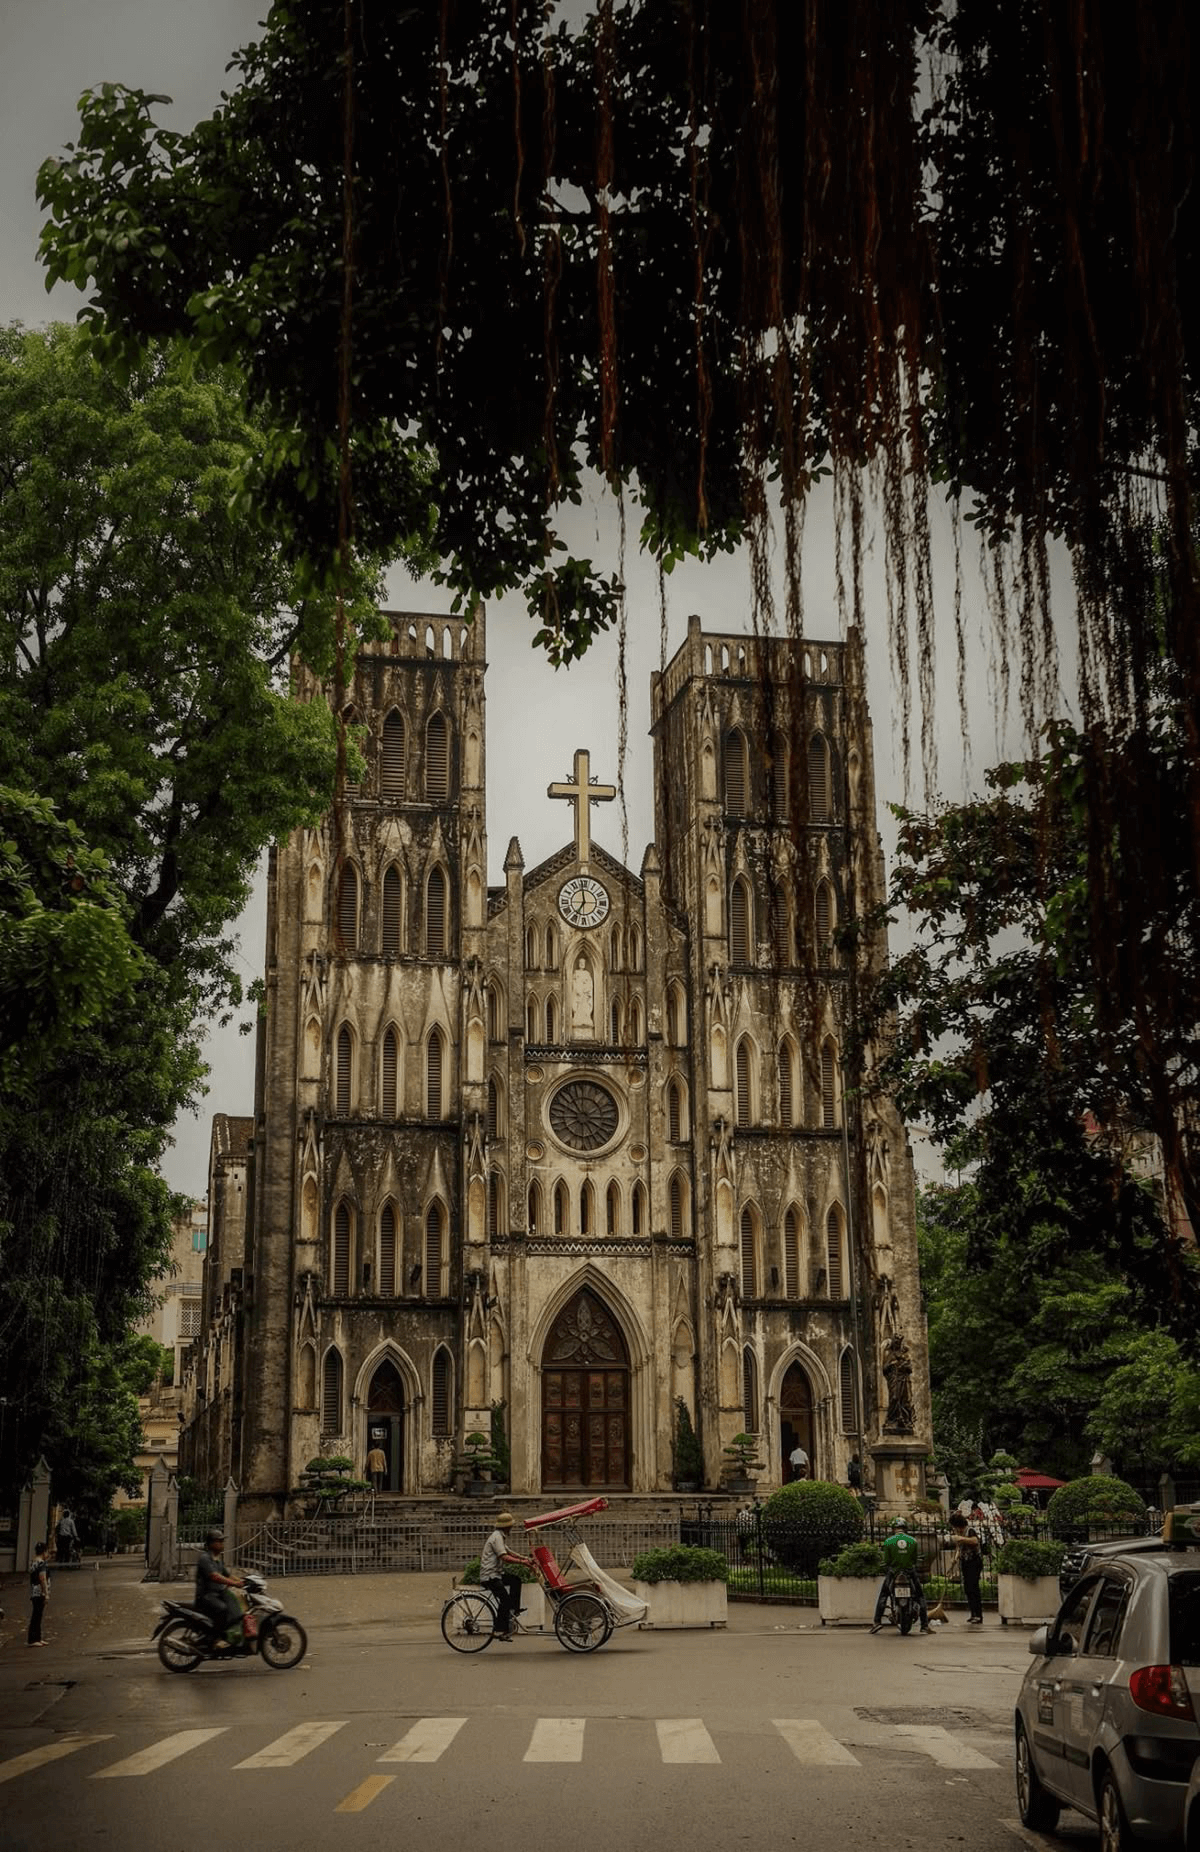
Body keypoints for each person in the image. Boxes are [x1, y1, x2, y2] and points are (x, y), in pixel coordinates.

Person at [870, 1515, 931, 1634]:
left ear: (894, 1528)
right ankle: (924, 1625)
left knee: (883, 1595)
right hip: (909, 1572)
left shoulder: (888, 1541)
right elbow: (914, 1560)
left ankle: (877, 1622)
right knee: (920, 1596)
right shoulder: (912, 1541)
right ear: (905, 1528)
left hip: (894, 1572)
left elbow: (887, 1560)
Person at [479, 1512, 531, 1641]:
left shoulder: (500, 1537)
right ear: (507, 1527)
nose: (511, 1529)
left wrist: (525, 1558)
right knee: (505, 1601)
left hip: (496, 1574)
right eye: (511, 1527)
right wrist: (522, 1562)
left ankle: (514, 1610)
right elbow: (504, 1557)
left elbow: (509, 1551)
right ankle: (499, 1630)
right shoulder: (497, 1537)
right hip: (490, 1576)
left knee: (515, 1580)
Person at [194, 1527, 245, 1649]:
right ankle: (215, 1639)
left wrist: (242, 1581)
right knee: (223, 1609)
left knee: (235, 1605)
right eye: (219, 1541)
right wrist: (233, 1584)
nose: (222, 1544)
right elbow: (215, 1576)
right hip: (206, 1596)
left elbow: (227, 1575)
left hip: (217, 1594)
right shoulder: (205, 1559)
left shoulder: (218, 1559)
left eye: (222, 1541)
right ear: (211, 1543)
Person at [948, 1511, 984, 1624]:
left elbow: (975, 1541)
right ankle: (973, 1613)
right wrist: (954, 1559)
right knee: (968, 1588)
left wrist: (961, 1538)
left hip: (974, 1562)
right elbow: (959, 1548)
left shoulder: (969, 1530)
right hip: (965, 1562)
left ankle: (978, 1615)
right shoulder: (959, 1533)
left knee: (974, 1588)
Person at [27, 1541, 50, 1646]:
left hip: (34, 1590)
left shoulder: (33, 1562)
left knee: (37, 1614)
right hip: (40, 1591)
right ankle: (33, 1639)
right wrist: (46, 1592)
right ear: (44, 1552)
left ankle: (37, 1637)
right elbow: (42, 1578)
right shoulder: (42, 1563)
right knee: (37, 1615)